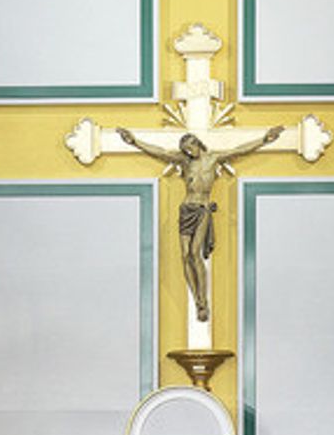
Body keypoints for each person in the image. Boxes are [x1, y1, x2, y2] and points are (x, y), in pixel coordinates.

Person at [116, 125, 283, 322]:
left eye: (190, 148)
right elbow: (160, 152)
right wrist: (135, 142)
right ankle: (196, 299)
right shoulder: (185, 162)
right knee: (185, 255)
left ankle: (203, 300)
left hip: (203, 210)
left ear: (197, 144)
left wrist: (264, 140)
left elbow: (239, 150)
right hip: (186, 209)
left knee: (195, 253)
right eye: (185, 150)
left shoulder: (213, 159)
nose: (188, 152)